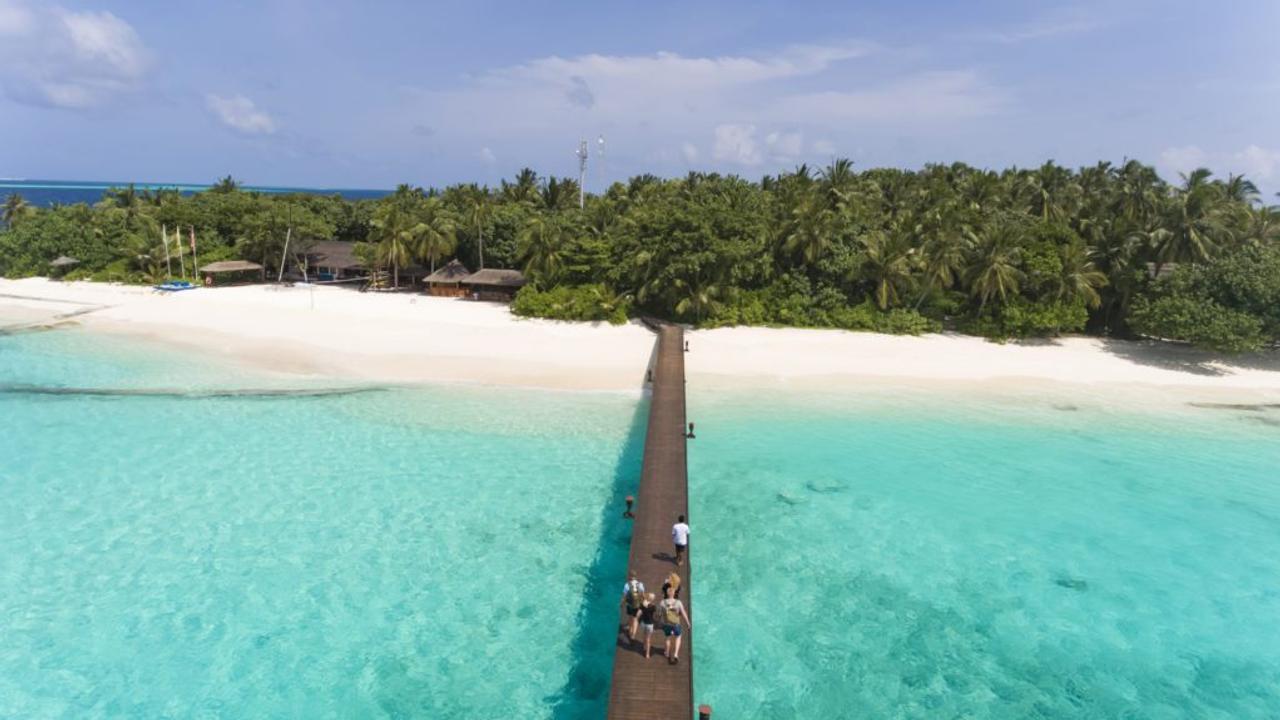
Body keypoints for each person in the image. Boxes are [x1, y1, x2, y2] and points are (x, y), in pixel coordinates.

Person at [659, 585, 691, 664]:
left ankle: (667, 652)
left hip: (667, 624)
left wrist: (659, 622)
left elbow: (659, 614)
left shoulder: (662, 602)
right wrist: (688, 623)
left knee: (668, 638)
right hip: (676, 624)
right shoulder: (678, 602)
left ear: (667, 593)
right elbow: (683, 613)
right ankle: (676, 654)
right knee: (678, 637)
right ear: (673, 593)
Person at [620, 572, 645, 641]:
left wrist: (621, 604)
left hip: (630, 605)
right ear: (636, 576)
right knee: (636, 619)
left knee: (631, 616)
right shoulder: (640, 584)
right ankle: (633, 635)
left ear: (630, 576)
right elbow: (643, 595)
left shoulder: (627, 585)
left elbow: (624, 597)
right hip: (638, 605)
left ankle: (630, 630)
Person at [637, 592, 658, 658]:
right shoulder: (653, 607)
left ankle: (644, 647)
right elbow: (655, 616)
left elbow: (638, 614)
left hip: (643, 623)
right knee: (649, 639)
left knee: (644, 634)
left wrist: (638, 620)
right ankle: (647, 654)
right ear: (652, 599)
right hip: (650, 624)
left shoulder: (642, 605)